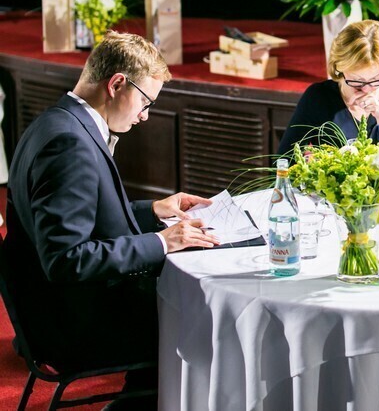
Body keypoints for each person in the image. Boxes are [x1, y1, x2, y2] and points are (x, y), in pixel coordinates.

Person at [2, 31, 219, 409]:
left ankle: (138, 399)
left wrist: (153, 210)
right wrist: (164, 242)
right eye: (146, 101)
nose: (145, 115)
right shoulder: (69, 145)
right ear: (117, 84)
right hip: (74, 326)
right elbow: (66, 258)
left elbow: (83, 217)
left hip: (56, 308)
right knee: (206, 318)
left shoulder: (56, 121)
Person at [277, 20, 379, 156]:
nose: (367, 89)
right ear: (340, 69)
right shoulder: (318, 96)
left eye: (376, 80)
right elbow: (283, 158)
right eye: (357, 81)